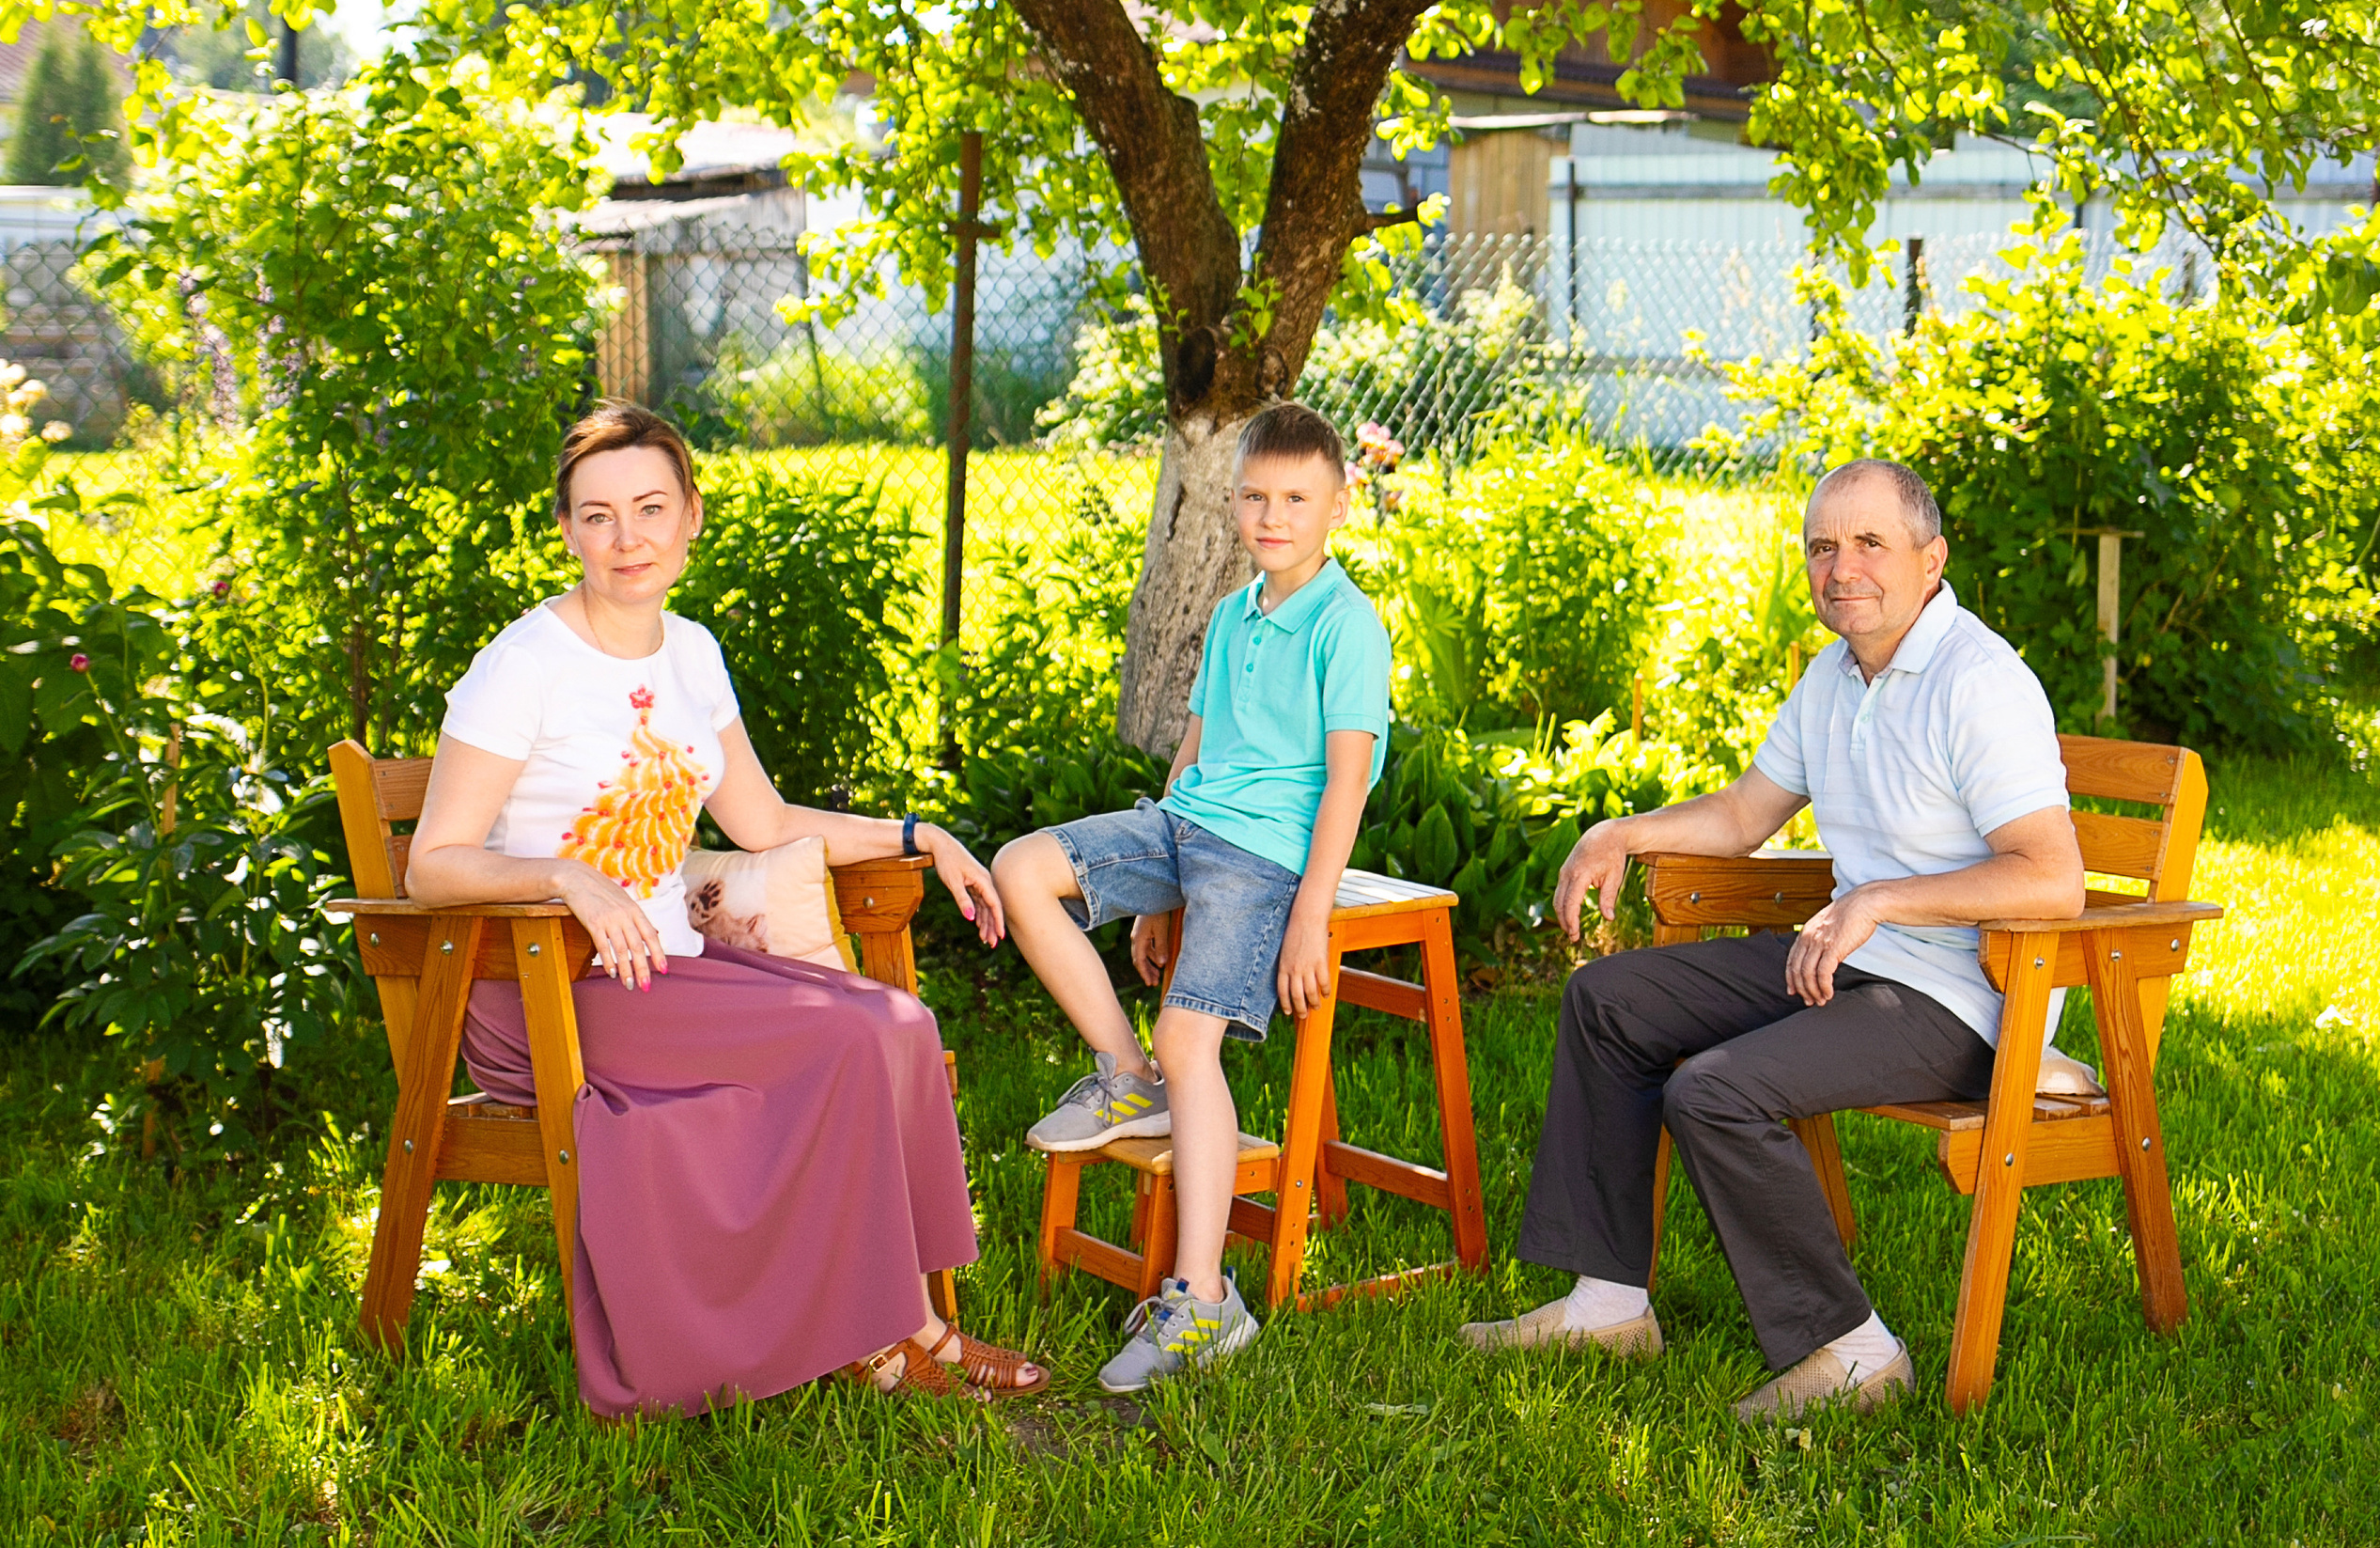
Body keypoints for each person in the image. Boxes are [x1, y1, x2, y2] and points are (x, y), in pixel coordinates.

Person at [405, 400, 1050, 1417]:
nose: (629, 538)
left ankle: (898, 1316)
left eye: (651, 507)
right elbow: (431, 866)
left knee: (900, 1024)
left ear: (692, 513)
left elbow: (760, 820)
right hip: (543, 987)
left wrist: (919, 833)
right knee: (846, 1034)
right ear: (568, 529)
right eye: (599, 515)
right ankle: (900, 1334)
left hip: (662, 967)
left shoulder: (690, 652)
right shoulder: (522, 665)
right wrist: (566, 877)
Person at [1461, 458, 2086, 1421]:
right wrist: (1619, 832)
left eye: (1870, 543)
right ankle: (1607, 1299)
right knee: (1609, 1000)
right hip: (1848, 958)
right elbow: (1747, 813)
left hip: (1964, 997)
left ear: (1931, 557)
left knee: (1713, 1087)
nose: (1843, 568)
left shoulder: (1979, 681)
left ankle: (1851, 1350)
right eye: (1822, 546)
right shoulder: (1835, 676)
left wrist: (1878, 898)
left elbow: (2052, 876)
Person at [991, 401, 1392, 1393]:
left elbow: (1347, 781)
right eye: (1255, 496)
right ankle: (1125, 1074)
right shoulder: (1229, 612)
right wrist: (1158, 895)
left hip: (1262, 862)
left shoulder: (1347, 625)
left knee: (1191, 1042)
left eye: (1296, 497)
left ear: (1339, 504)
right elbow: (1195, 748)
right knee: (1019, 868)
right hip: (1186, 824)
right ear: (1230, 502)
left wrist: (1309, 915)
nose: (1273, 515)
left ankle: (1203, 1300)